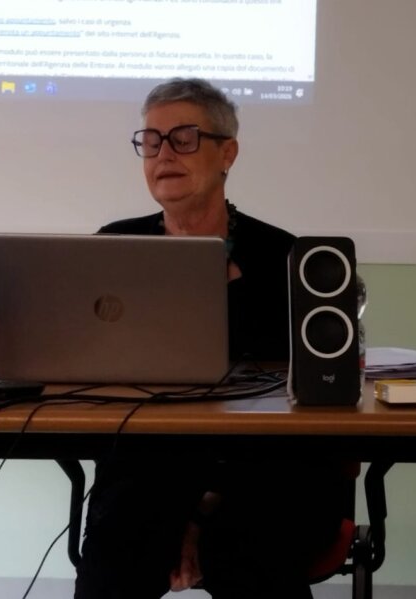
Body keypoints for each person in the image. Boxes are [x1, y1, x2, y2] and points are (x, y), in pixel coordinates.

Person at [74, 78, 352, 599]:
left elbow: (322, 394)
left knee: (246, 545)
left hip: (268, 470)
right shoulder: (113, 248)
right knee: (121, 541)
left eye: (183, 138)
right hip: (149, 471)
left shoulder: (288, 257)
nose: (163, 154)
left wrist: (200, 514)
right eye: (151, 141)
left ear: (228, 153)